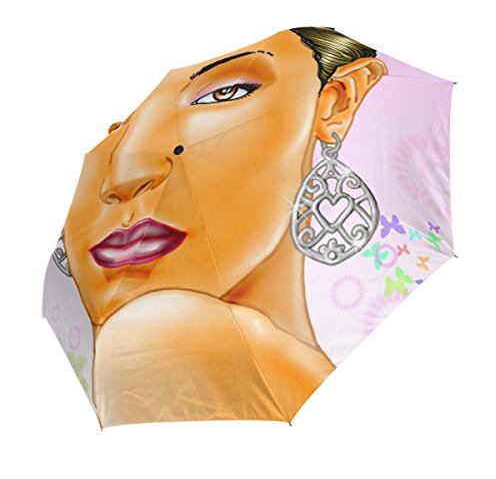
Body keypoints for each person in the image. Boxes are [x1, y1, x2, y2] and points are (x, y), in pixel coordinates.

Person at [63, 26, 388, 427]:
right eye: (118, 132)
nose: (125, 174)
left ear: (336, 101)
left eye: (224, 93)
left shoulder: (155, 338)